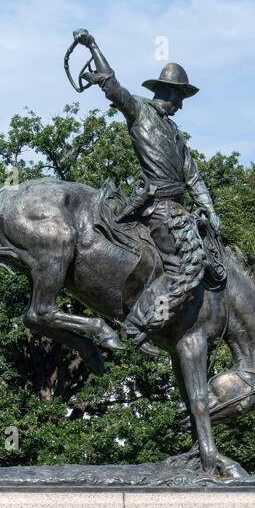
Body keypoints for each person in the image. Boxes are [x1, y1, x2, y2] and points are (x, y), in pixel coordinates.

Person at [71, 29, 222, 354]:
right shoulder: (140, 111)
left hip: (180, 212)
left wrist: (209, 208)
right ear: (171, 92)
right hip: (160, 209)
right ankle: (137, 325)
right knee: (179, 269)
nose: (181, 105)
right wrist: (94, 45)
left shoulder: (176, 134)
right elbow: (112, 86)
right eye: (181, 97)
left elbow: (192, 177)